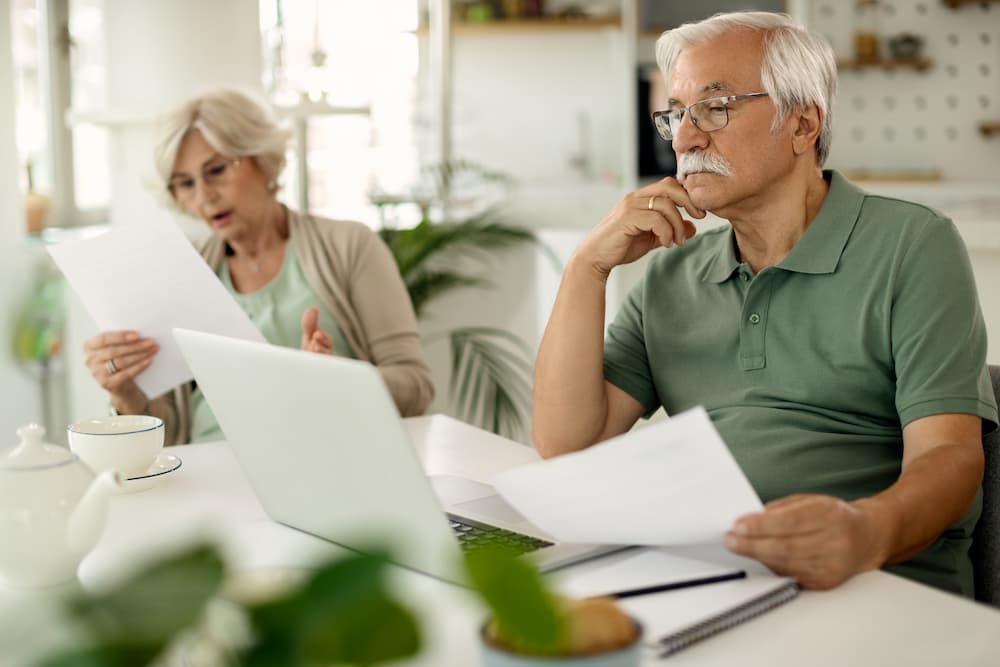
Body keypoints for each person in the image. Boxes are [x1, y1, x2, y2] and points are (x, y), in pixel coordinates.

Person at [532, 11, 998, 597]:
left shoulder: (913, 245)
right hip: (706, 579)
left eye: (715, 107)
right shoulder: (670, 274)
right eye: (676, 113)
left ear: (803, 125)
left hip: (874, 586)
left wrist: (866, 531)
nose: (683, 137)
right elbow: (568, 446)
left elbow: (951, 459)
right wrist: (586, 269)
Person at [83, 89, 434, 445]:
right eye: (185, 184)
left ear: (264, 160)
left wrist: (338, 382)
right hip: (211, 469)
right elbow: (169, 434)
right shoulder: (185, 272)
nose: (204, 197)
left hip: (324, 464)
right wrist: (125, 393)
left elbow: (416, 388)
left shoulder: (349, 246)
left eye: (216, 170)